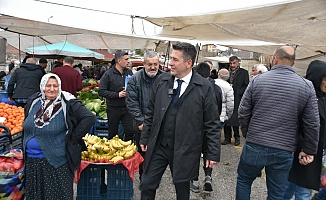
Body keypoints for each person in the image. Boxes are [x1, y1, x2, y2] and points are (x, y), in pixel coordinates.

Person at [139, 42, 221, 200]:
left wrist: (212, 153)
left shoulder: (204, 87)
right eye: (171, 58)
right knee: (147, 184)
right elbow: (151, 112)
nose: (170, 63)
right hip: (159, 146)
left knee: (182, 190)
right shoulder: (162, 81)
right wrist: (145, 137)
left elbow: (212, 124)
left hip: (186, 149)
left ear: (188, 63)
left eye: (175, 60)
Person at [236, 46, 320, 200]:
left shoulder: (257, 81)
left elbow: (243, 112)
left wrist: (249, 134)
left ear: (274, 59)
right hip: (284, 148)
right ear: (293, 63)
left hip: (255, 143)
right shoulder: (306, 86)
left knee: (244, 180)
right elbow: (312, 123)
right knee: (276, 192)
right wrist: (309, 149)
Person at [23, 73, 96, 200]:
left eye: (55, 86)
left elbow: (89, 117)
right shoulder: (34, 101)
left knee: (57, 196)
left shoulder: (68, 102)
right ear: (42, 87)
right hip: (32, 163)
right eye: (48, 85)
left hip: (56, 163)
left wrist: (72, 138)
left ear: (59, 87)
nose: (52, 89)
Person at [284, 60, 326, 200]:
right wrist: (305, 149)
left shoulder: (323, 97)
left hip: (314, 153)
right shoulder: (304, 95)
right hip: (301, 152)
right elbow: (293, 124)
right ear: (318, 77)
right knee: (294, 190)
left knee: (300, 189)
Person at [126, 51, 163, 187]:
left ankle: (153, 180)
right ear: (144, 64)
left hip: (160, 127)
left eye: (155, 64)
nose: (153, 67)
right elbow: (131, 102)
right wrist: (141, 122)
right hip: (142, 127)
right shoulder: (135, 79)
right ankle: (144, 179)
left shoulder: (165, 78)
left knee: (158, 155)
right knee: (143, 154)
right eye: (150, 64)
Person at [190, 62, 222, 193]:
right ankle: (208, 175)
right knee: (208, 152)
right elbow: (219, 107)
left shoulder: (193, 87)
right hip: (211, 125)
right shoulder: (216, 88)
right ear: (210, 73)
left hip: (194, 127)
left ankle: (195, 181)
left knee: (194, 154)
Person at [99, 50, 134, 141]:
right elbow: (101, 91)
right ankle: (113, 151)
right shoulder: (108, 74)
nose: (128, 61)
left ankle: (127, 150)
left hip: (127, 108)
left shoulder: (129, 72)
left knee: (130, 131)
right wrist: (117, 95)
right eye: (126, 59)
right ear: (119, 61)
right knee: (113, 133)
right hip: (113, 108)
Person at [222, 56, 249, 146]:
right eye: (231, 63)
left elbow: (246, 85)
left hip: (237, 98)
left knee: (235, 120)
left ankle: (237, 137)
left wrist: (239, 92)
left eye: (234, 63)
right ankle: (227, 138)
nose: (232, 65)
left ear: (238, 63)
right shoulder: (226, 72)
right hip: (226, 98)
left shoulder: (243, 73)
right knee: (226, 118)